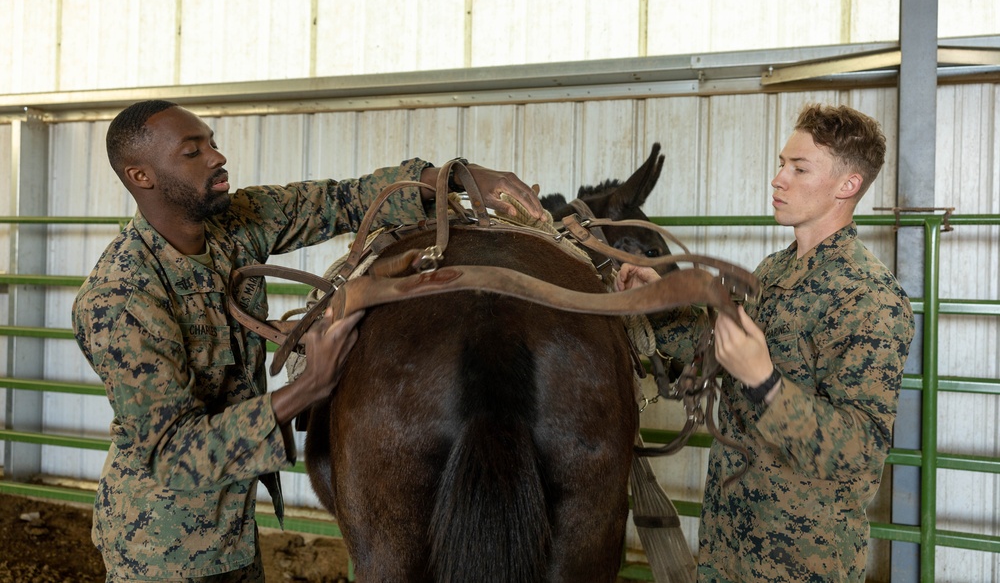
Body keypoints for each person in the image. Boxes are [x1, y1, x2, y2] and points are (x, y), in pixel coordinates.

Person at [71, 99, 546, 582]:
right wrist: (306, 389)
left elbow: (340, 200)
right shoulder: (120, 298)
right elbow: (174, 453)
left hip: (231, 533)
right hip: (160, 552)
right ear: (141, 176)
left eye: (212, 143)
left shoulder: (233, 226)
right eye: (192, 152)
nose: (217, 158)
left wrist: (452, 177)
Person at [616, 103, 914, 582]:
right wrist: (656, 299)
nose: (778, 179)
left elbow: (857, 457)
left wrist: (765, 382)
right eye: (781, 164)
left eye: (799, 168)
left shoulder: (870, 298)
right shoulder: (773, 272)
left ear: (847, 185)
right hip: (727, 546)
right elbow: (715, 346)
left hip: (799, 563)